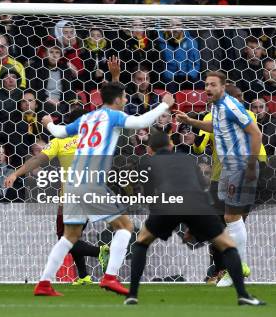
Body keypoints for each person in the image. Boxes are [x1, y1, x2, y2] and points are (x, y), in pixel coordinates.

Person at [34, 81, 175, 297]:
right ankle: (110, 277)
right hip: (91, 181)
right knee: (125, 227)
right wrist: (164, 105)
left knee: (69, 236)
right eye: (125, 97)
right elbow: (141, 122)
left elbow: (61, 132)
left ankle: (44, 282)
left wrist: (48, 123)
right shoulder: (113, 116)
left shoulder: (87, 117)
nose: (127, 100)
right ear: (117, 99)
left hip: (72, 182)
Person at [124, 130, 265, 306]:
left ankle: (132, 295)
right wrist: (197, 223)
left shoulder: (147, 162)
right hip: (197, 204)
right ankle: (243, 294)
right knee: (228, 246)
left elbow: (150, 194)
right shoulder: (189, 159)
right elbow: (201, 188)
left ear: (150, 150)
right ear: (171, 146)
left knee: (141, 242)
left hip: (168, 204)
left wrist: (158, 221)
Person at [176, 72, 263, 288]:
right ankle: (235, 268)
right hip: (226, 167)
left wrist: (251, 164)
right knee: (229, 217)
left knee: (231, 217)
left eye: (213, 85)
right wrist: (190, 120)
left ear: (223, 87)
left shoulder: (231, 106)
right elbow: (216, 128)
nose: (208, 88)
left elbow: (256, 133)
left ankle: (236, 270)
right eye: (206, 84)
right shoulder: (216, 106)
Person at [4, 108, 110, 285]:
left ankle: (99, 251)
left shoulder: (60, 142)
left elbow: (37, 160)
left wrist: (16, 174)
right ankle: (84, 276)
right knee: (73, 237)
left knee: (65, 239)